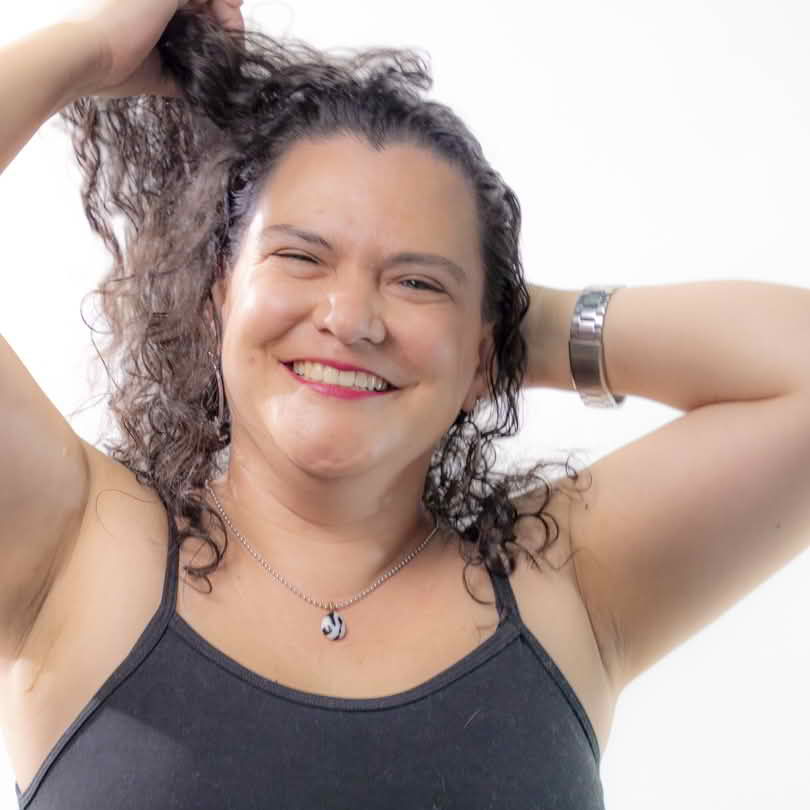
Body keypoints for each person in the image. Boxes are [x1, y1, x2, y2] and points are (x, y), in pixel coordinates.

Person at [2, 1, 810, 807]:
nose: (352, 319)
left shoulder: (562, 587)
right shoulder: (80, 550)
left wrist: (504, 331)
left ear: (482, 355)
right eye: (301, 257)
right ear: (217, 299)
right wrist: (93, 49)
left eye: (417, 282)